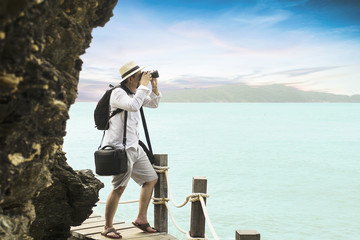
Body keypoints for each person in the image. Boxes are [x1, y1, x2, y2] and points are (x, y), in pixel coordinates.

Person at [101, 61, 161, 239]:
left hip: (134, 146)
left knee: (150, 179)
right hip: (120, 149)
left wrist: (154, 87)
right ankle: (108, 227)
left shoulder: (135, 92)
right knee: (119, 187)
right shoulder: (117, 93)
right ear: (131, 77)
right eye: (140, 74)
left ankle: (141, 219)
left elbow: (154, 104)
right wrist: (143, 86)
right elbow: (134, 105)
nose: (144, 77)